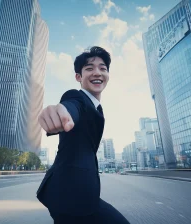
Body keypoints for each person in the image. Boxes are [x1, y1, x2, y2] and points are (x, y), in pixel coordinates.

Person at [36, 46, 130, 223]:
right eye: (89, 68)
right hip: (70, 195)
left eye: (103, 68)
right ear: (78, 77)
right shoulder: (77, 98)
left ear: (108, 75)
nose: (97, 72)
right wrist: (60, 112)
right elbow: (71, 106)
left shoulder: (97, 108)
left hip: (75, 195)